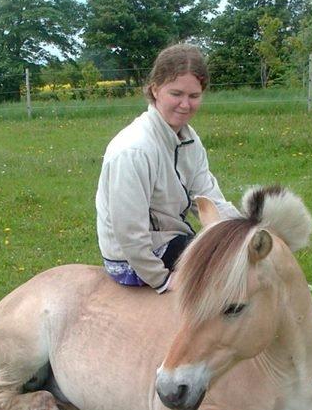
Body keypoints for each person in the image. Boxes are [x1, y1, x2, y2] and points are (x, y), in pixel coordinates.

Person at [96, 43, 240, 293]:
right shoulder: (134, 150)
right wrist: (162, 279)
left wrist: (244, 233)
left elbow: (208, 198)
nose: (185, 104)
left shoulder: (189, 139)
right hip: (132, 259)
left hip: (170, 238)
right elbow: (129, 233)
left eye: (194, 96)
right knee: (231, 284)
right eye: (176, 94)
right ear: (155, 89)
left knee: (245, 263)